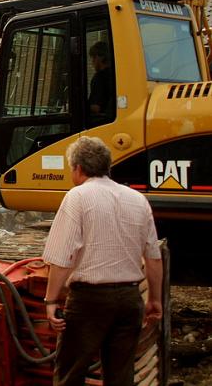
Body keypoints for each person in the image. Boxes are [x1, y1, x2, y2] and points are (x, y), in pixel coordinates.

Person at [42, 136, 162, 386]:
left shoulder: (78, 197)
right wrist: (154, 299)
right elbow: (153, 257)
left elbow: (62, 257)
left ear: (78, 168)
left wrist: (51, 300)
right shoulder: (138, 199)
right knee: (120, 377)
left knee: (69, 374)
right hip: (130, 300)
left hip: (89, 300)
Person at [87, 41, 115, 118]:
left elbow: (96, 108)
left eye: (94, 57)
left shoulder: (99, 78)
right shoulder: (115, 74)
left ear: (101, 57)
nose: (92, 61)